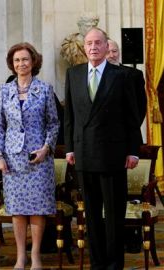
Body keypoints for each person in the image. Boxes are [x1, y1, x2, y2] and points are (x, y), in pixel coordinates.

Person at [64, 27, 142, 269]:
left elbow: (132, 116)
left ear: (107, 47)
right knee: (92, 216)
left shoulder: (121, 76)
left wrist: (133, 150)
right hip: (84, 154)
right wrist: (69, 148)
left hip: (113, 155)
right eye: (89, 43)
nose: (93, 47)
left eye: (98, 42)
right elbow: (70, 116)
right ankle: (97, 264)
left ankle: (114, 264)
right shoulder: (73, 74)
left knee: (114, 216)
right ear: (84, 47)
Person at [0, 42, 60, 269]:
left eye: (25, 59)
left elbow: (53, 123)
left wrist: (46, 148)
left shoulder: (44, 89)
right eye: (16, 60)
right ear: (12, 65)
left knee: (37, 209)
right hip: (12, 159)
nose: (21, 64)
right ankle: (21, 255)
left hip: (38, 159)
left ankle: (35, 255)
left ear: (33, 62)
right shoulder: (4, 91)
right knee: (18, 209)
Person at [106, 39, 147, 124]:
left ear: (119, 52)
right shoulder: (94, 74)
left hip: (126, 130)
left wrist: (133, 128)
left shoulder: (135, 75)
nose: (112, 55)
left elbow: (141, 106)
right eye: (107, 52)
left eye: (114, 51)